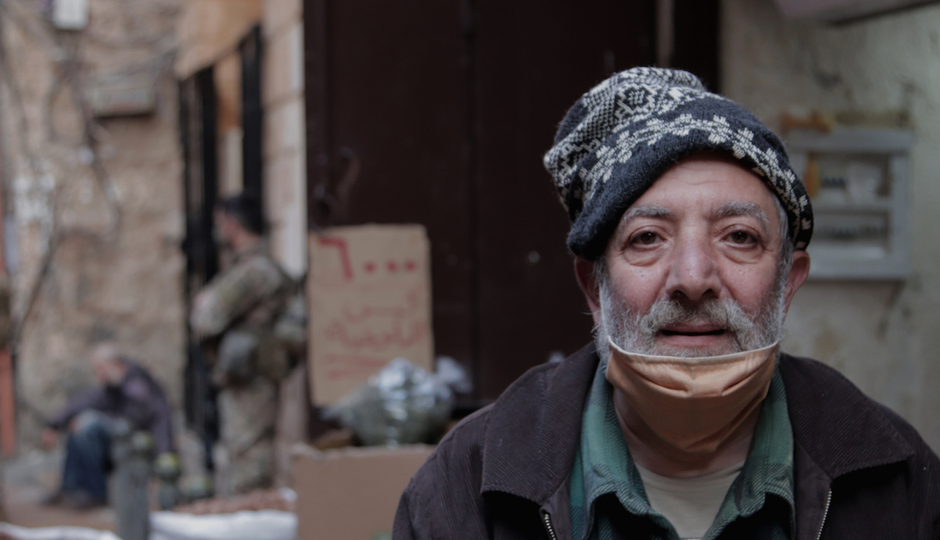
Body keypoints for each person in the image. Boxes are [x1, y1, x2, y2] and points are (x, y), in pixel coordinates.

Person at [394, 68, 940, 539]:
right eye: (647, 238)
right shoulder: (469, 485)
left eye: (740, 237)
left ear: (788, 281)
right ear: (594, 288)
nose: (694, 278)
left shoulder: (901, 481)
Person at [190, 194, 294, 494]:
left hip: (249, 380)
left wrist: (203, 303)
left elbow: (205, 319)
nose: (218, 230)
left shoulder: (252, 271)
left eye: (220, 223)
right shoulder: (263, 266)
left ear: (233, 224)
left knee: (247, 462)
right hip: (251, 376)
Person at [41, 343, 175, 509]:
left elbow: (134, 419)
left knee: (88, 426)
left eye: (100, 368)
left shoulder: (136, 384)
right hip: (122, 436)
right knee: (79, 425)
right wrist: (54, 424)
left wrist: (98, 419)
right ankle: (70, 487)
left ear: (115, 364)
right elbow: (87, 400)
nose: (98, 374)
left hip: (143, 442)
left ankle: (96, 493)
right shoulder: (114, 383)